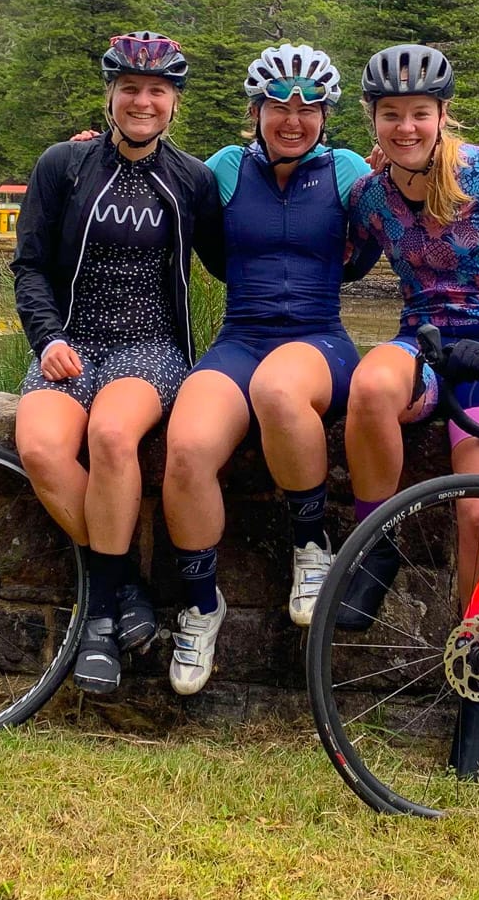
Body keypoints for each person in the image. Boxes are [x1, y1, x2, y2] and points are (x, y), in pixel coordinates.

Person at [339, 43, 479, 779]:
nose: (406, 127)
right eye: (391, 115)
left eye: (418, 114)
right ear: (374, 118)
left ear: (440, 116)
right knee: (369, 388)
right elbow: (336, 261)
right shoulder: (371, 194)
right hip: (424, 342)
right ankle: (379, 541)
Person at [11, 31, 224, 695]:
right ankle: (124, 581)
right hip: (70, 343)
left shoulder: (191, 179)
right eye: (130, 89)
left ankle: (98, 620)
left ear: (174, 104)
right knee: (43, 450)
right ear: (110, 96)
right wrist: (46, 337)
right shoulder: (64, 166)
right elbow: (31, 266)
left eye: (156, 91)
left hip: (148, 347)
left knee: (110, 436)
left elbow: (236, 257)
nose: (142, 101)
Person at [158, 44, 375, 695]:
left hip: (318, 344)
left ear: (326, 117)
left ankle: (312, 545)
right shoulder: (225, 168)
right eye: (279, 105)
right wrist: (95, 154)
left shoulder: (347, 170)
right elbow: (174, 201)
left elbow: (382, 236)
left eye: (309, 109)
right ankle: (200, 608)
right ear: (255, 110)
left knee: (279, 390)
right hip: (241, 339)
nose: (293, 119)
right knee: (188, 445)